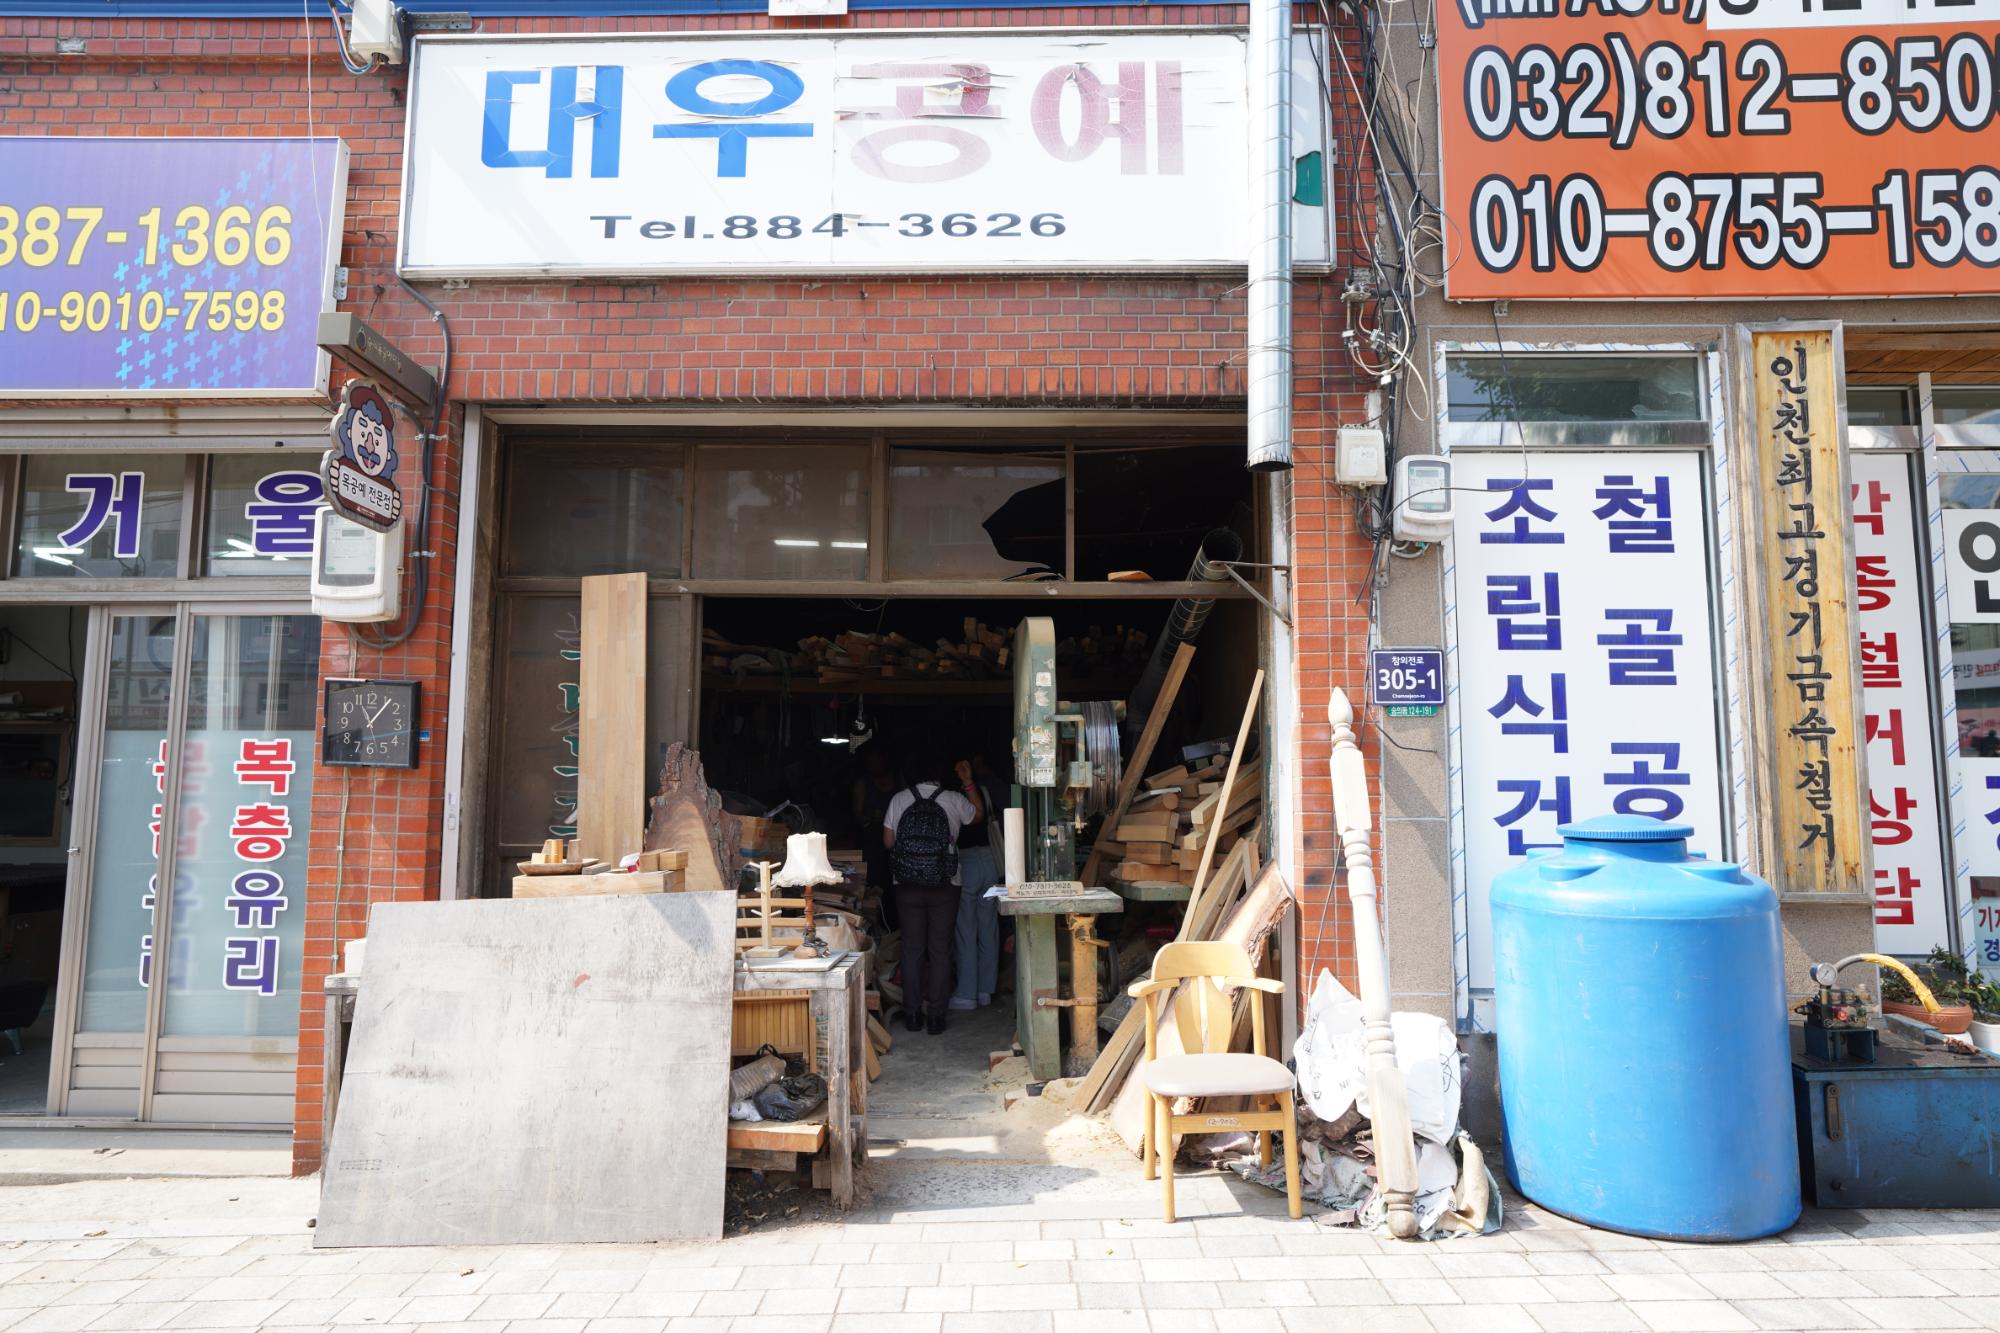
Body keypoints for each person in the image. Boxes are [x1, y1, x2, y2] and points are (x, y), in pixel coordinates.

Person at [884, 755, 984, 1035]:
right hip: (945, 884)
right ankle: (937, 1017)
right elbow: (978, 815)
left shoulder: (899, 799)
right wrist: (968, 782)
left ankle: (913, 1015)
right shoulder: (953, 799)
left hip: (907, 884)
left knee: (912, 949)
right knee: (940, 950)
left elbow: (888, 842)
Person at [951, 750, 1007, 1012]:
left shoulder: (954, 796)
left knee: (966, 930)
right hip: (991, 860)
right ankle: (985, 990)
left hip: (967, 862)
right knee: (988, 928)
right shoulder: (986, 791)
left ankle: (966, 993)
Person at [852, 747, 902, 926]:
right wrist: (872, 818)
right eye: (870, 762)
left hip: (897, 841)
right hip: (873, 841)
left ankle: (895, 925)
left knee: (896, 883)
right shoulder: (863, 784)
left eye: (877, 760)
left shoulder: (898, 780)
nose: (874, 765)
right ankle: (876, 926)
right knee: (874, 883)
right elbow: (858, 815)